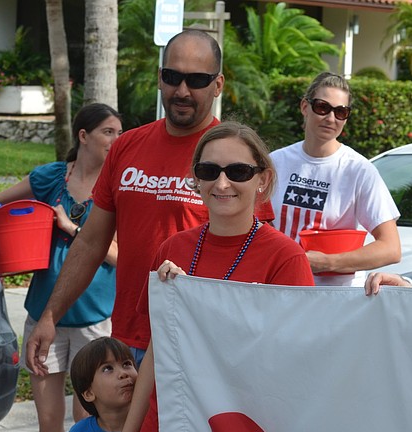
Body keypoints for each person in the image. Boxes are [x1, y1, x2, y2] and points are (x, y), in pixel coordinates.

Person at [103, 122, 314, 432]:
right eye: (209, 170)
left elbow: (298, 362)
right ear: (194, 180)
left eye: (238, 171)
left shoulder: (284, 257)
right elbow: (157, 357)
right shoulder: (173, 251)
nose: (222, 183)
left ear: (263, 179)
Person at [24, 29, 273, 374]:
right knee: (116, 430)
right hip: (127, 342)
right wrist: (50, 315)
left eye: (197, 79)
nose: (182, 91)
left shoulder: (233, 158)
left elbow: (259, 252)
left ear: (218, 85)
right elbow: (91, 242)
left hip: (201, 347)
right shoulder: (126, 147)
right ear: (160, 78)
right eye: (172, 77)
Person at [0, 103, 121, 432]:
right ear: (83, 135)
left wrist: (70, 227)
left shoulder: (117, 186)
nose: (117, 139)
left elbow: (119, 255)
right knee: (47, 417)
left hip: (96, 316)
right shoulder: (50, 178)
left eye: (119, 132)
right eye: (109, 132)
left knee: (86, 419)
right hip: (44, 315)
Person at [270, 72, 400, 286]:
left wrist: (329, 262)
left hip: (332, 301)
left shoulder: (358, 169)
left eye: (341, 112)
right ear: (305, 107)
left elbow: (391, 248)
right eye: (322, 107)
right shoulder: (275, 162)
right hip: (277, 290)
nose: (331, 118)